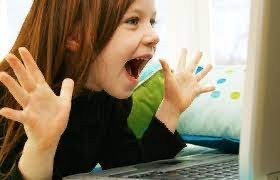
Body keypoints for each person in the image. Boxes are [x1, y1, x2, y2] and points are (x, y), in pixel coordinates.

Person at [0, 0, 215, 179]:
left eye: (151, 22)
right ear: (75, 36)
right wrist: (41, 147)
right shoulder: (11, 96)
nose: (154, 36)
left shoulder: (105, 97)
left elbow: (131, 167)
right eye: (133, 21)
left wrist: (171, 108)